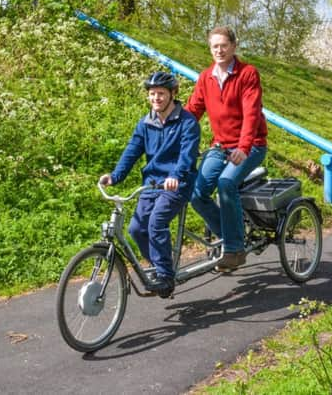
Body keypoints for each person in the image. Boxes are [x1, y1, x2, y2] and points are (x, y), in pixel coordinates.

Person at [100, 72, 200, 298]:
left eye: (161, 94)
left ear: (173, 94)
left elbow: (187, 155)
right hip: (152, 184)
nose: (156, 98)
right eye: (152, 94)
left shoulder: (187, 122)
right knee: (136, 229)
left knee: (156, 223)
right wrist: (115, 176)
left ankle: (165, 277)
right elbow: (132, 151)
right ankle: (158, 266)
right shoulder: (146, 123)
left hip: (178, 184)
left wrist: (176, 175)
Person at [185, 26, 268, 272]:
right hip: (220, 146)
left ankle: (234, 250)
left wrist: (244, 147)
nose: (219, 50)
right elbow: (193, 111)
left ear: (233, 46)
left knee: (225, 183)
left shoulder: (247, 74)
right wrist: (168, 128)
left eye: (223, 45)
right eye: (214, 46)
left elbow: (251, 114)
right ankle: (231, 236)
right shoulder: (206, 77)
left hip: (250, 145)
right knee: (197, 193)